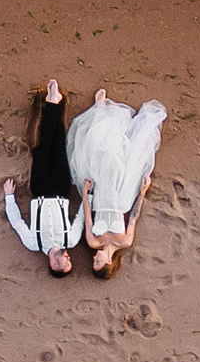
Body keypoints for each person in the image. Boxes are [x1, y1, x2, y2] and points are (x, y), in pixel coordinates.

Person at [66, 88, 167, 277]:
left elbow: (88, 216)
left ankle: (101, 109)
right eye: (98, 262)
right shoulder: (125, 241)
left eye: (94, 261)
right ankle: (116, 119)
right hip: (122, 197)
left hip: (101, 198)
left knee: (102, 153)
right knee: (122, 157)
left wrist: (86, 194)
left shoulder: (93, 242)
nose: (95, 257)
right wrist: (143, 191)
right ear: (109, 262)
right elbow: (134, 217)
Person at [2, 79, 83, 275]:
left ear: (54, 265)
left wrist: (9, 197)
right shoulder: (70, 240)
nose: (68, 257)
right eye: (69, 261)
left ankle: (53, 103)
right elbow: (81, 218)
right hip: (60, 190)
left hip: (38, 190)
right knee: (59, 147)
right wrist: (88, 195)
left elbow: (18, 222)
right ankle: (54, 103)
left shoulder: (33, 243)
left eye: (66, 262)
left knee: (42, 148)